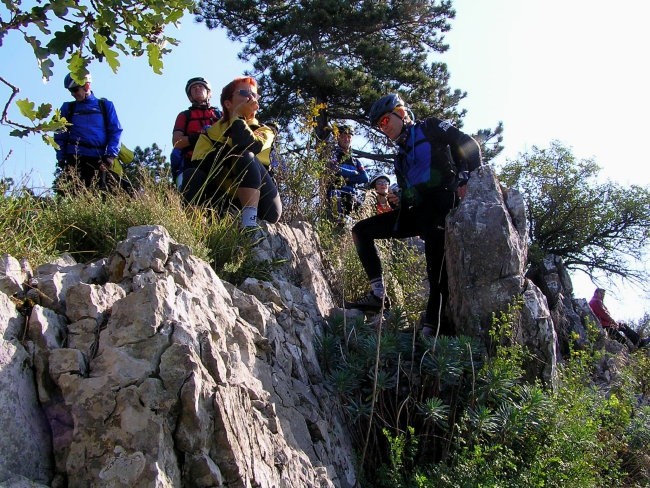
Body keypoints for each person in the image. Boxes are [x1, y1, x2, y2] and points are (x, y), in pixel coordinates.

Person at [344, 93, 482, 337]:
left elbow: (470, 144)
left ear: (401, 112)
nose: (382, 128)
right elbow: (411, 195)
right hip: (418, 213)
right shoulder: (400, 156)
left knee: (435, 271)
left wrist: (467, 178)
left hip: (441, 208)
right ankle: (378, 295)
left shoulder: (430, 127)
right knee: (360, 231)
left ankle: (433, 328)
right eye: (379, 126)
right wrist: (400, 201)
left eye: (385, 121)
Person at [181, 76, 281, 232]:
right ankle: (193, 230)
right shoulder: (209, 134)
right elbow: (200, 166)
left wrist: (238, 118)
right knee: (190, 174)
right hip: (224, 200)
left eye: (254, 94)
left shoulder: (265, 129)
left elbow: (248, 145)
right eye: (244, 93)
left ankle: (249, 225)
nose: (251, 97)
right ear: (228, 103)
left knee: (245, 156)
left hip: (265, 204)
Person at [54, 72, 124, 191]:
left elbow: (115, 131)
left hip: (98, 159)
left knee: (98, 196)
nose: (73, 94)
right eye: (70, 91)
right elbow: (60, 135)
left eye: (75, 90)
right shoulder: (67, 108)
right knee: (73, 196)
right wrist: (61, 158)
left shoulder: (105, 106)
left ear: (86, 86)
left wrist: (110, 156)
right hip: (74, 158)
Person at [171, 77, 222, 187]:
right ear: (190, 96)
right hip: (191, 162)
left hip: (219, 159)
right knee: (191, 181)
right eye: (193, 88)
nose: (197, 88)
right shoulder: (184, 115)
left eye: (201, 86)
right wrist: (200, 135)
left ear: (209, 93)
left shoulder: (219, 115)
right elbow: (176, 142)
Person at [326, 124, 369, 218]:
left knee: (365, 213)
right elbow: (334, 170)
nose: (346, 139)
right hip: (336, 192)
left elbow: (365, 178)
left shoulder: (355, 161)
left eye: (349, 136)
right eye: (343, 136)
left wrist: (346, 177)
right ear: (338, 138)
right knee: (336, 219)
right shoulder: (332, 154)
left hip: (352, 195)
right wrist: (354, 173)